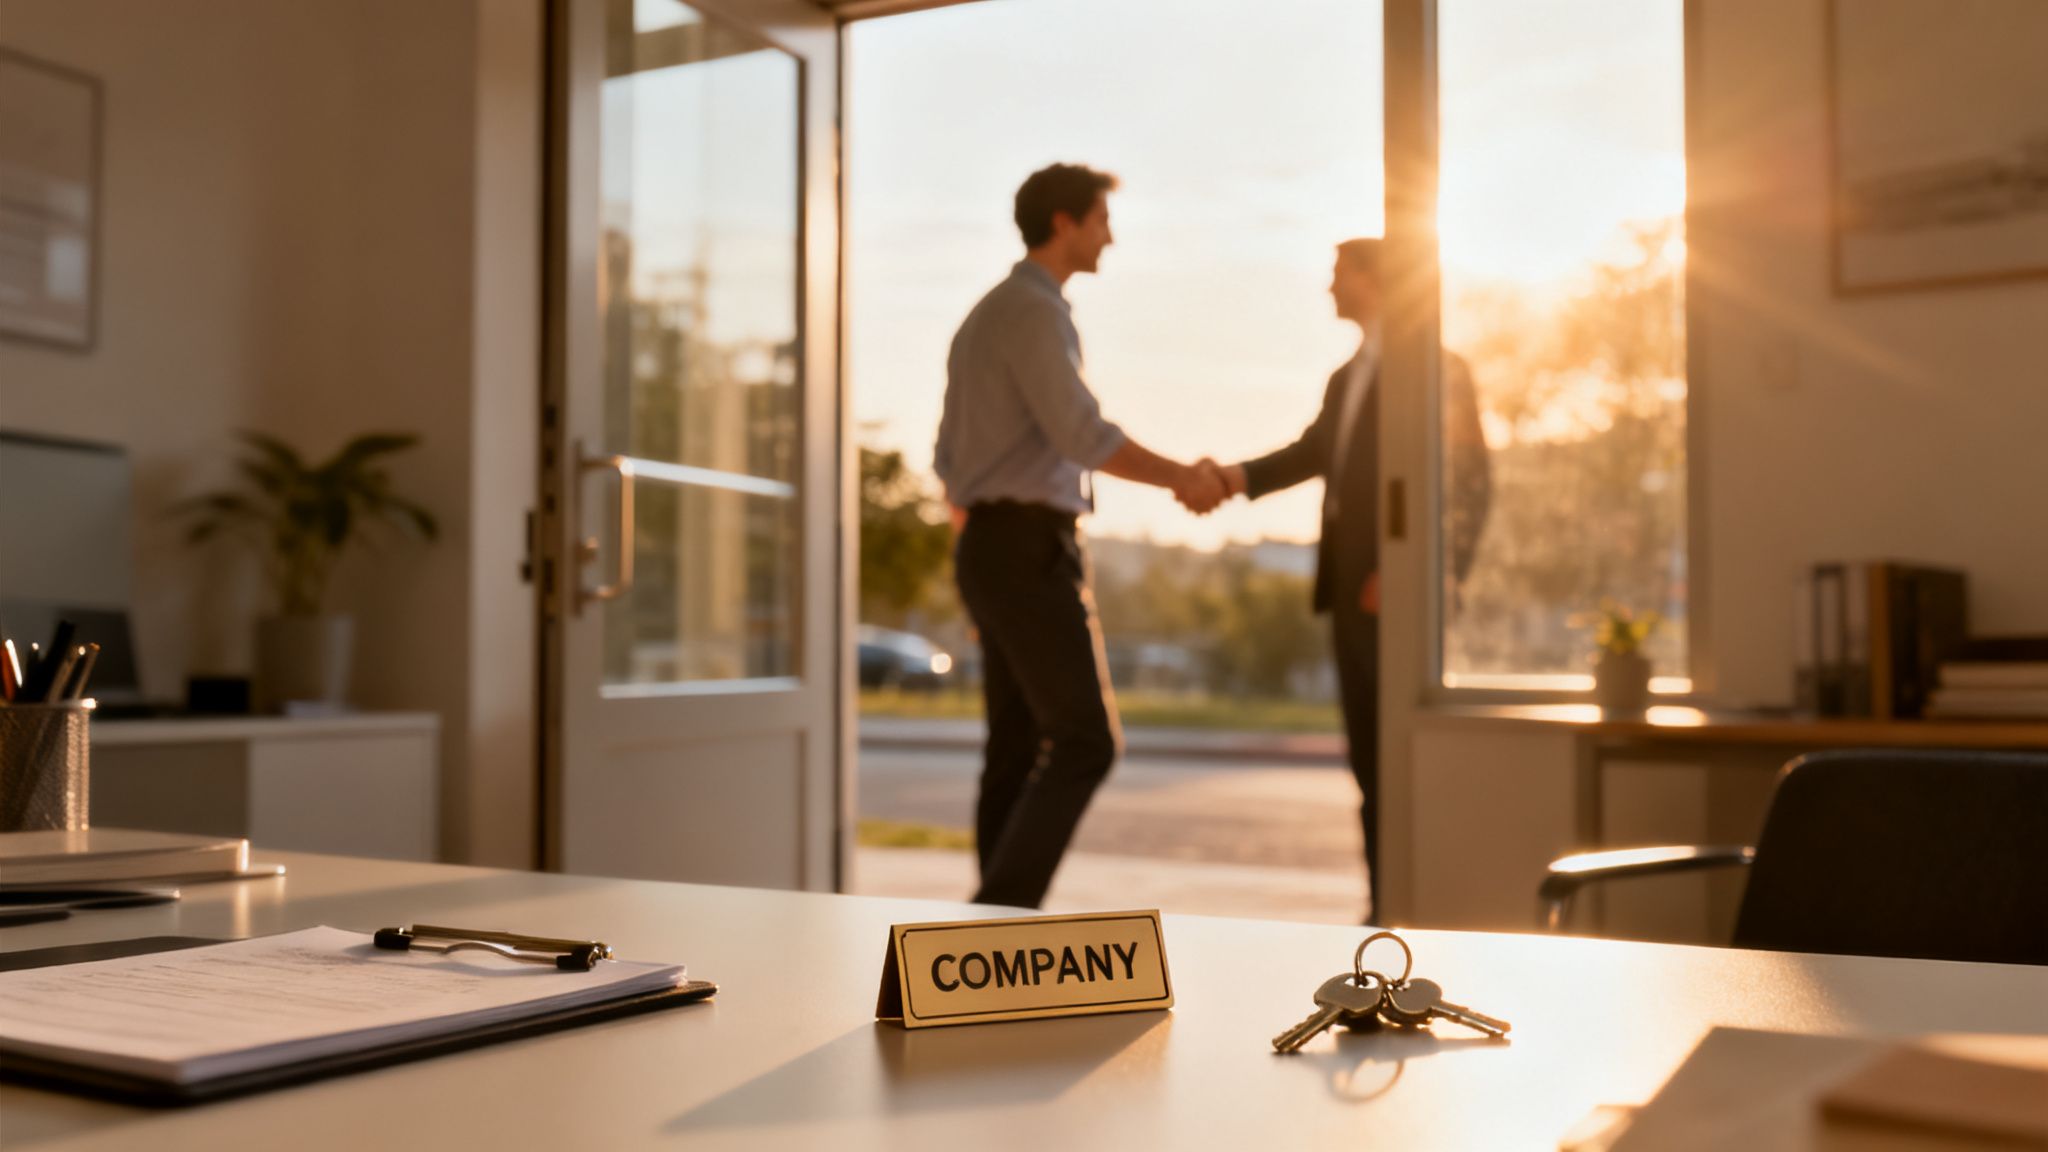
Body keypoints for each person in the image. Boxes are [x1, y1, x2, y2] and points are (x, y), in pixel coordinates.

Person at [934, 163, 1224, 909]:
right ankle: (997, 918)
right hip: (1026, 548)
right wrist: (1181, 478)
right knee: (1085, 742)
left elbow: (946, 460)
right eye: (1101, 220)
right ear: (1064, 222)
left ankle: (990, 925)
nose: (1111, 236)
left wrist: (990, 533)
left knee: (1015, 750)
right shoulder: (1033, 311)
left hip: (993, 547)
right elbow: (1081, 433)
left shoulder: (985, 315)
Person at [1201, 238, 1490, 917]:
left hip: (1394, 596)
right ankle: (1384, 902)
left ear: (1372, 281)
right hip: (1350, 594)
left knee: (1406, 761)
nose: (1329, 288)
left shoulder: (1438, 371)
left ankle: (1419, 902)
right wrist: (1233, 479)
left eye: (1339, 275)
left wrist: (1417, 574)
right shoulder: (1348, 375)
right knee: (1369, 762)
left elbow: (1472, 484)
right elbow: (1316, 452)